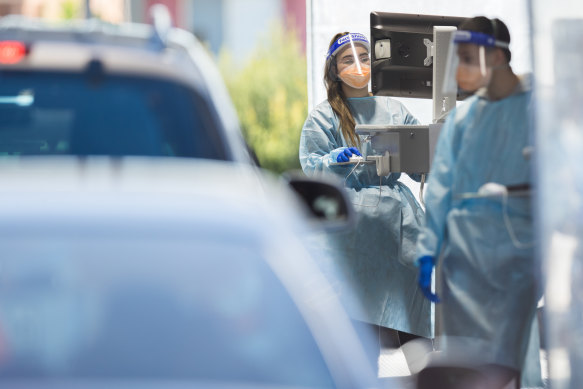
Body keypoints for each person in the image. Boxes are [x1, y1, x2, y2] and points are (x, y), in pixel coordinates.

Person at [415, 17, 542, 388]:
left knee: (510, 360)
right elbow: (439, 187)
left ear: (498, 56)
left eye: (469, 58)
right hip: (462, 261)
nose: (460, 69)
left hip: (520, 255)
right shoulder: (463, 120)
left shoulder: (539, 110)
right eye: (459, 59)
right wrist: (427, 251)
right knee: (464, 364)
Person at [299, 32, 431, 370]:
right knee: (362, 324)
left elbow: (423, 163)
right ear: (333, 69)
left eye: (364, 55)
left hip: (399, 226)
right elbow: (312, 170)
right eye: (348, 59)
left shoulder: (394, 109)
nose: (358, 65)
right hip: (353, 231)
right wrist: (333, 160)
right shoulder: (322, 118)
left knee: (413, 325)